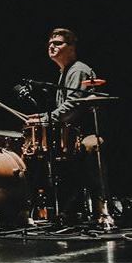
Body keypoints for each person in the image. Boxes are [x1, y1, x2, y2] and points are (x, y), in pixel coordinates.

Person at [43, 27, 107, 221]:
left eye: (58, 43)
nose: (51, 47)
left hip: (88, 133)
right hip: (73, 133)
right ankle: (68, 209)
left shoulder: (78, 70)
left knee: (89, 149)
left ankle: (101, 211)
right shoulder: (65, 71)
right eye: (50, 43)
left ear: (72, 47)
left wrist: (46, 118)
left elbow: (73, 105)